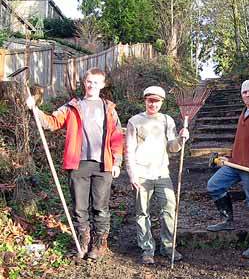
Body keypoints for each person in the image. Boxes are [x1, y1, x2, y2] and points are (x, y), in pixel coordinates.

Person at [26, 67, 124, 260]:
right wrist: (34, 109)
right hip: (78, 164)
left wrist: (117, 161)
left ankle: (98, 245)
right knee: (79, 207)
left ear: (102, 85)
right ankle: (83, 243)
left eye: (96, 82)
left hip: (103, 164)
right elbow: (51, 122)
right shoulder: (72, 107)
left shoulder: (109, 109)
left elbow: (117, 137)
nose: (91, 85)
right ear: (84, 82)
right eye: (89, 81)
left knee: (100, 206)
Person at [206, 79, 249, 259]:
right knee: (214, 185)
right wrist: (229, 157)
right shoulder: (243, 113)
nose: (247, 95)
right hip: (235, 164)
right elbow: (240, 141)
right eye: (244, 92)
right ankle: (227, 220)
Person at [125, 86, 189, 265]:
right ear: (145, 100)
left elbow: (172, 148)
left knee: (169, 208)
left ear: (162, 102)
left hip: (161, 173)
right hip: (141, 174)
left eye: (157, 100)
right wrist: (132, 174)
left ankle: (168, 246)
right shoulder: (135, 121)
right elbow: (129, 150)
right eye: (150, 100)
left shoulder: (167, 121)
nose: (153, 103)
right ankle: (147, 249)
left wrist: (181, 140)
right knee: (142, 212)